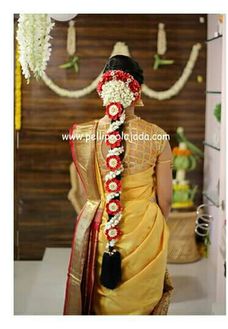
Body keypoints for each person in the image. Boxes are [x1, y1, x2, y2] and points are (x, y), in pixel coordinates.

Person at [63, 55, 174, 315]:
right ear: (138, 92)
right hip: (146, 228)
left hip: (102, 228)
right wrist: (159, 224)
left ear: (103, 89)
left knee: (105, 303)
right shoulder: (158, 136)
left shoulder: (84, 134)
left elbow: (83, 194)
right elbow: (166, 199)